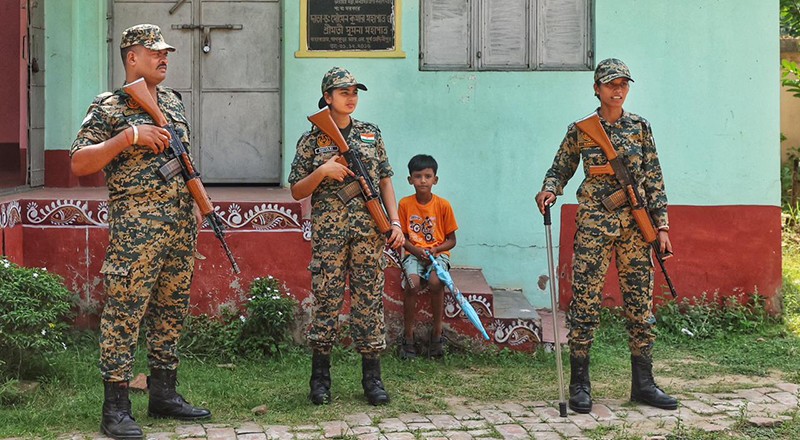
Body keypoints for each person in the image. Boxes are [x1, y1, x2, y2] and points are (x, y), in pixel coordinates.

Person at [70, 24, 211, 439]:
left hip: (179, 227)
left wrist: (196, 201)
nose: (164, 58)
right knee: (124, 314)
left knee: (171, 311)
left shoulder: (172, 102)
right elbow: (79, 162)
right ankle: (115, 408)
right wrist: (129, 136)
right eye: (155, 52)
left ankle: (164, 395)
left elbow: (182, 160)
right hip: (137, 231)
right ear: (132, 57)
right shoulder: (110, 107)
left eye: (166, 52)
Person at [534, 58, 678, 414]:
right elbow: (560, 168)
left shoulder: (640, 128)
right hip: (594, 225)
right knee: (584, 303)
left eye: (623, 84)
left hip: (636, 228)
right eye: (611, 84)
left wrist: (662, 226)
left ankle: (644, 384)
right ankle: (580, 384)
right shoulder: (581, 130)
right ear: (597, 89)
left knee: (640, 305)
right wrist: (550, 189)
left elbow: (654, 178)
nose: (618, 90)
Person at [288, 67, 405, 406]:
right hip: (330, 235)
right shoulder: (312, 140)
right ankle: (320, 380)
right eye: (344, 92)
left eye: (354, 92)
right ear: (327, 97)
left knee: (369, 302)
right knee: (326, 301)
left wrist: (395, 222)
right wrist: (322, 171)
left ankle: (372, 380)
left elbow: (385, 181)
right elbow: (296, 190)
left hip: (369, 233)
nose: (351, 98)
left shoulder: (371, 133)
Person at [397, 154, 458, 360]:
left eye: (428, 176)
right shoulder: (405, 204)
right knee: (412, 284)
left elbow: (452, 240)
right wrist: (416, 251)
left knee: (435, 281)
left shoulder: (443, 205)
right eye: (418, 176)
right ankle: (408, 337)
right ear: (410, 180)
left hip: (437, 254)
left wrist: (435, 250)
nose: (423, 181)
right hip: (414, 254)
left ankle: (437, 335)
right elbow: (403, 238)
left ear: (435, 179)